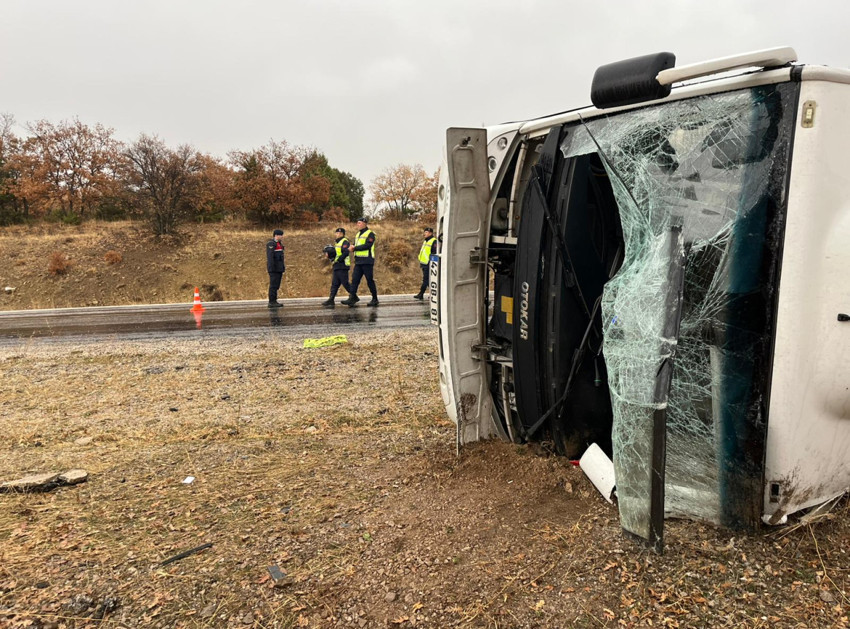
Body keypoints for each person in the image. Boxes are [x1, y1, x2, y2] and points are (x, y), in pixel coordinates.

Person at [341, 217, 379, 307]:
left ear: (364, 223)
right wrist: (352, 247)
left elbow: (368, 245)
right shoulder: (358, 234)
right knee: (355, 280)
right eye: (357, 223)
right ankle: (352, 297)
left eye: (359, 223)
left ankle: (375, 299)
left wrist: (355, 248)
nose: (358, 224)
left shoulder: (370, 234)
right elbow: (356, 244)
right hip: (358, 261)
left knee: (369, 280)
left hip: (367, 261)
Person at [321, 227, 352, 308]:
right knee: (334, 284)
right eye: (336, 233)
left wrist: (339, 259)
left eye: (339, 233)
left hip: (343, 265)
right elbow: (336, 253)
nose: (337, 234)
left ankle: (353, 296)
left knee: (345, 283)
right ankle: (331, 300)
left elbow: (346, 252)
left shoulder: (345, 241)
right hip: (336, 265)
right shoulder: (337, 243)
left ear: (342, 234)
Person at [414, 226, 437, 300]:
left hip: (428, 264)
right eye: (424, 232)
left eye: (426, 232)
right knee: (428, 280)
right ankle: (433, 294)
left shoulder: (434, 241)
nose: (425, 234)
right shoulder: (425, 241)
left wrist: (431, 262)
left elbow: (434, 253)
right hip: (423, 263)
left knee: (426, 280)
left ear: (430, 233)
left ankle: (421, 294)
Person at [266, 228, 285, 308]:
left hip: (279, 268)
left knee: (276, 285)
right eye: (280, 235)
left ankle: (274, 300)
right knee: (273, 285)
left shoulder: (279, 244)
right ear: (276, 235)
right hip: (274, 269)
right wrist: (271, 268)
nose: (282, 237)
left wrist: (282, 267)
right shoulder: (271, 244)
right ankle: (271, 301)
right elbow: (270, 258)